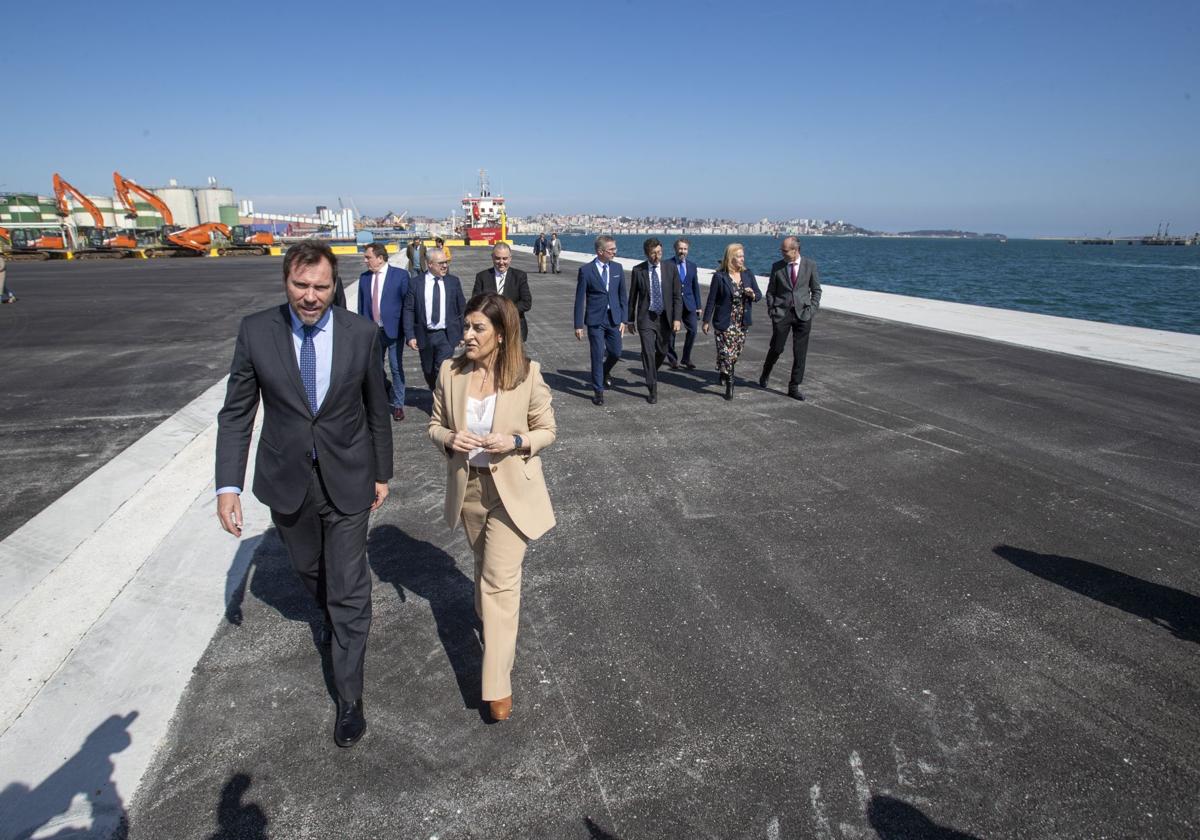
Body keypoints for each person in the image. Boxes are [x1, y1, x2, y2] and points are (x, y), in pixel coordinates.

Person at [215, 240, 392, 748]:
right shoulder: (256, 333)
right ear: (285, 282)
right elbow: (237, 413)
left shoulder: (362, 334)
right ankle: (330, 611)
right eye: (300, 285)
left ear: (335, 285)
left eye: (321, 286)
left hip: (350, 477)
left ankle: (350, 697)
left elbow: (376, 408)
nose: (311, 297)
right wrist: (228, 485)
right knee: (309, 570)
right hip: (286, 479)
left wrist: (382, 472)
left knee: (349, 584)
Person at [427, 293, 556, 722]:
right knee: (484, 575)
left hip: (510, 495)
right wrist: (448, 438)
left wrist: (516, 442)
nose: (467, 335)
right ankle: (492, 626)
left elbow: (547, 431)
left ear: (501, 334)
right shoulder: (450, 371)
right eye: (466, 326)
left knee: (500, 584)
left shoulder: (526, 374)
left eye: (478, 328)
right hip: (469, 492)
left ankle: (496, 687)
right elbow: (434, 424)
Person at [760, 236, 822, 401]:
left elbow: (816, 290)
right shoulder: (777, 267)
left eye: (785, 250)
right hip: (782, 314)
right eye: (782, 250)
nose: (782, 253)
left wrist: (812, 309)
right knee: (777, 348)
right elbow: (771, 291)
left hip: (803, 314)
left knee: (799, 352)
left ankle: (794, 386)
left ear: (795, 251)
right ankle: (766, 371)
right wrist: (772, 310)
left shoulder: (810, 265)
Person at [702, 242, 762, 401]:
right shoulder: (720, 276)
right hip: (724, 321)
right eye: (739, 256)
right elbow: (711, 300)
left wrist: (752, 295)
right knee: (727, 353)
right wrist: (706, 320)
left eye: (743, 256)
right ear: (731, 258)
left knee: (735, 353)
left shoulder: (748, 274)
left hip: (741, 321)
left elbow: (759, 294)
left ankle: (723, 368)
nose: (743, 259)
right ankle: (730, 382)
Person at [358, 242, 410, 421]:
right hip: (373, 332)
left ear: (380, 258)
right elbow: (361, 307)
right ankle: (381, 397)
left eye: (368, 257)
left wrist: (409, 332)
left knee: (396, 368)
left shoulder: (401, 276)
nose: (365, 260)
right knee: (374, 369)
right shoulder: (364, 278)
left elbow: (407, 306)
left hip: (394, 331)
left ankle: (398, 405)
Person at [573, 235, 627, 406]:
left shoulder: (618, 268)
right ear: (600, 251)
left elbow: (622, 296)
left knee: (616, 352)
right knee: (596, 355)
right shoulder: (586, 271)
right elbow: (579, 299)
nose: (615, 252)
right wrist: (578, 324)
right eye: (611, 250)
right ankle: (598, 390)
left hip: (614, 319)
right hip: (596, 320)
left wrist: (624, 320)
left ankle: (604, 372)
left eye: (615, 249)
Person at [626, 238, 681, 404]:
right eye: (653, 253)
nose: (657, 256)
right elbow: (633, 297)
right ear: (646, 254)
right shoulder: (638, 270)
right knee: (648, 351)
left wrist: (677, 318)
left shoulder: (670, 268)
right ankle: (652, 387)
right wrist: (630, 320)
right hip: (646, 317)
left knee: (663, 351)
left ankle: (651, 372)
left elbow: (677, 296)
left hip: (665, 317)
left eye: (659, 252)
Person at [404, 248, 466, 390]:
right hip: (424, 335)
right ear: (430, 264)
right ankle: (435, 392)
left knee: (442, 369)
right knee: (428, 370)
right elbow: (408, 310)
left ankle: (442, 402)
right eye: (441, 263)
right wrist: (410, 335)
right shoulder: (415, 283)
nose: (445, 266)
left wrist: (463, 333)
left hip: (446, 335)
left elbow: (462, 308)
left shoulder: (453, 282)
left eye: (446, 262)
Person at [473, 242, 532, 341]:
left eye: (505, 258)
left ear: (510, 258)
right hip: (489, 330)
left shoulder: (520, 276)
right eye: (498, 258)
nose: (501, 262)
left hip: (514, 330)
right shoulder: (482, 277)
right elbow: (476, 303)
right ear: (492, 257)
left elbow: (526, 303)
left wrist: (505, 311)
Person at [666, 238, 701, 370]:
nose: (682, 251)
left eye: (685, 249)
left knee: (693, 330)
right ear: (675, 249)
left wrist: (698, 306)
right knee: (671, 333)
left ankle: (686, 358)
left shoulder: (692, 266)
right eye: (680, 248)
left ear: (688, 250)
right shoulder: (667, 264)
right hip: (673, 304)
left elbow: (695, 286)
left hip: (689, 304)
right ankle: (672, 359)